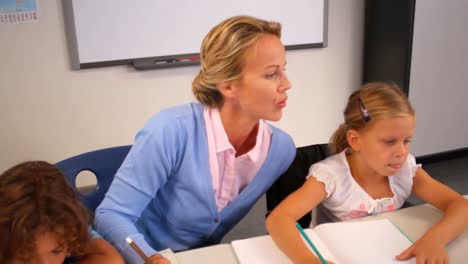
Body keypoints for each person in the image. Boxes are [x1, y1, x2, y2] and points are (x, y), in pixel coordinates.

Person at [94, 15, 296, 264]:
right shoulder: (169, 131)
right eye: (272, 74)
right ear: (228, 85)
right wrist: (151, 258)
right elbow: (111, 215)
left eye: (284, 70)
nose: (287, 84)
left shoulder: (281, 150)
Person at [266, 82, 468, 264]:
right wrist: (307, 261)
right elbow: (279, 218)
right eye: (389, 142)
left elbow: (460, 205)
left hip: (388, 249)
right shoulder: (330, 176)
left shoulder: (406, 169)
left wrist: (435, 240)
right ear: (355, 140)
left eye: (406, 141)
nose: (401, 152)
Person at [0, 161, 124, 264]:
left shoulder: (64, 224)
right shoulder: (6, 228)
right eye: (25, 257)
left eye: (56, 251)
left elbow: (112, 260)